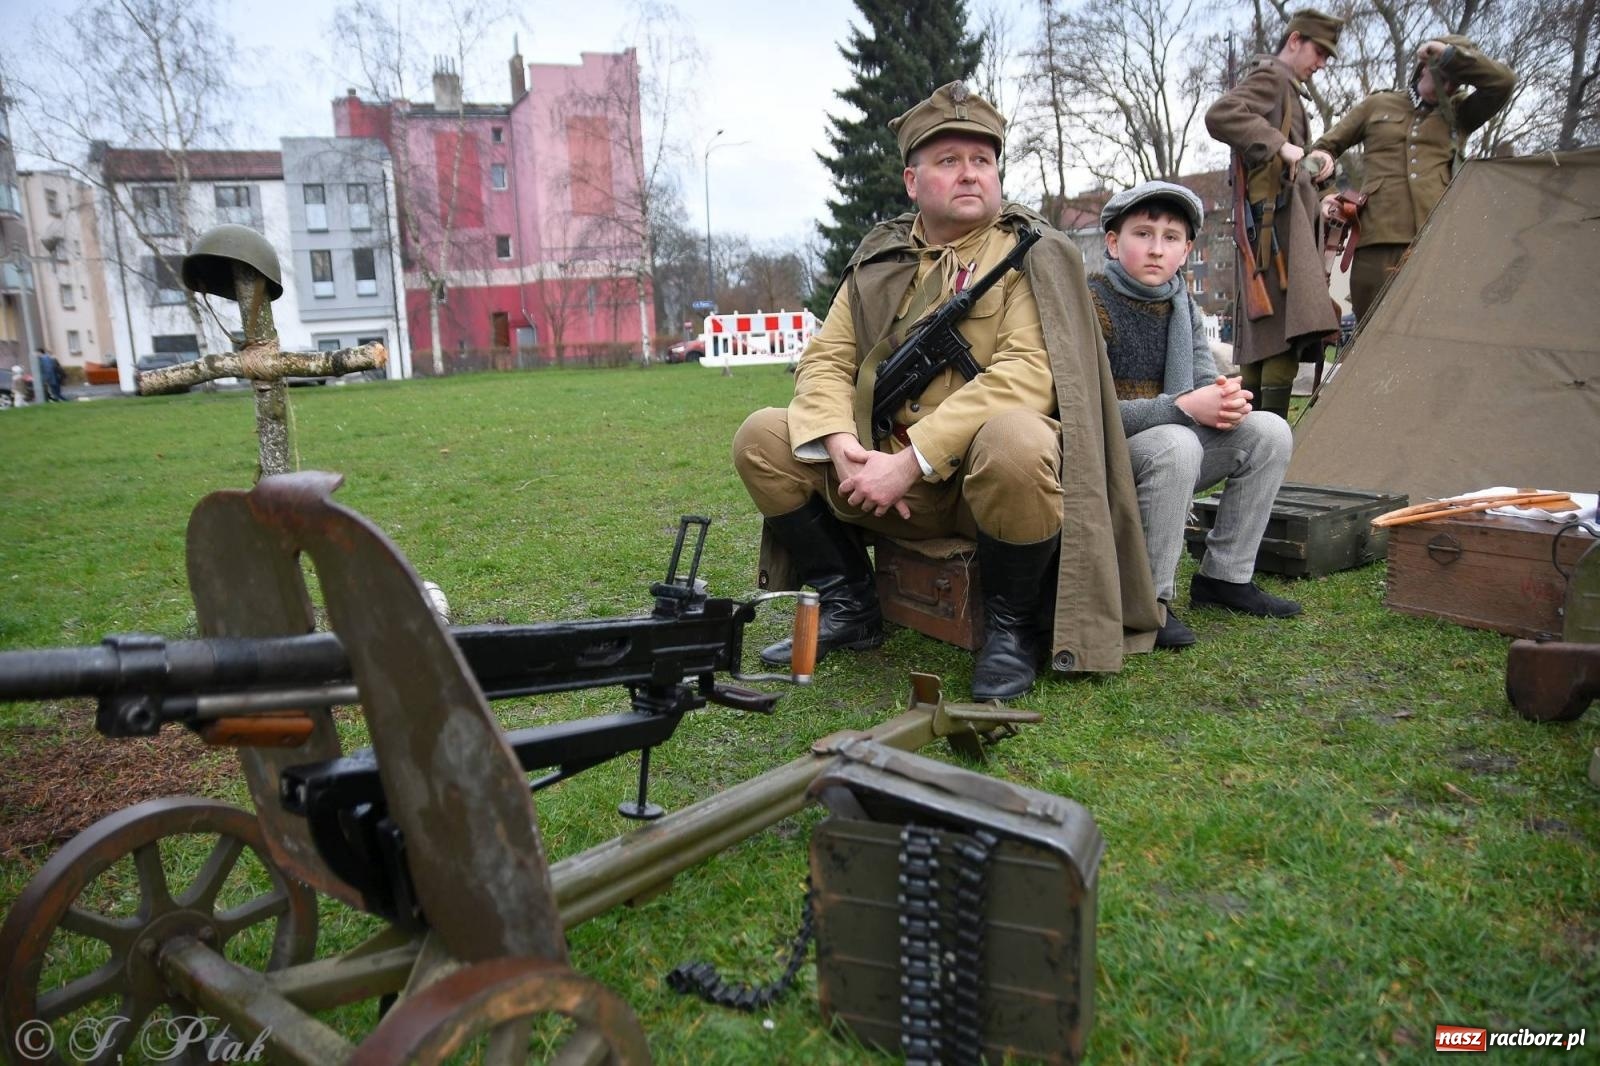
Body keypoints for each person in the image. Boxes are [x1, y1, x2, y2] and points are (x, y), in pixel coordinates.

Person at [732, 82, 1159, 701]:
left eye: (982, 161)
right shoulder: (880, 260)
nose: (970, 174)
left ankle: (1010, 631)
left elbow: (1028, 375)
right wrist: (841, 443)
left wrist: (911, 460)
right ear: (912, 181)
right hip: (873, 475)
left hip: (974, 488)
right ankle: (848, 603)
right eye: (949, 161)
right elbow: (827, 356)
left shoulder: (1032, 256)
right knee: (762, 437)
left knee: (1019, 437)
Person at [1085, 182, 1301, 650]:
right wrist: (1183, 407)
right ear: (1112, 241)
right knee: (1177, 442)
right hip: (1105, 453)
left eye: (1170, 238)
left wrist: (1225, 400)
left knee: (1269, 431)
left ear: (1187, 249)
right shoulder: (1091, 304)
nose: (1156, 249)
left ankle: (1225, 577)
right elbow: (1087, 413)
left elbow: (1203, 379)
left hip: (1168, 442)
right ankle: (1148, 602)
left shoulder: (1183, 304)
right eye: (1143, 233)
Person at [1306, 35, 1515, 323]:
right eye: (1446, 72)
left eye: (1458, 78)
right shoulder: (1377, 104)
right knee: (1372, 334)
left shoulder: (1461, 112)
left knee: (1436, 332)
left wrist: (1453, 56)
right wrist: (1325, 192)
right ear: (1424, 66)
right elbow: (1318, 152)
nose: (1451, 83)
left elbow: (1503, 84)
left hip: (1438, 239)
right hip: (1376, 242)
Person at [1205, 9, 1344, 419]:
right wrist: (1278, 144)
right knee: (1281, 335)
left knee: (1271, 337)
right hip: (1275, 231)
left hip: (1279, 226)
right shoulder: (1274, 78)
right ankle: (1267, 444)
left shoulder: (1288, 87)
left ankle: (1261, 445)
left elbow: (1289, 163)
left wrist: (1317, 170)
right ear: (1295, 40)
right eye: (1319, 52)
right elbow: (1220, 114)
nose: (1321, 63)